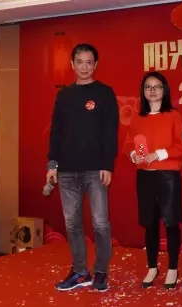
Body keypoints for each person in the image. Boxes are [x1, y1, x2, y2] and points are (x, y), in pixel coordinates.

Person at [46, 43, 119, 292]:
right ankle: (80, 271)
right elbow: (56, 132)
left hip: (95, 170)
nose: (84, 67)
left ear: (95, 65)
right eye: (80, 62)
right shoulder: (64, 95)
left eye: (89, 62)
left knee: (100, 223)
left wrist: (107, 165)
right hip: (66, 170)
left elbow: (110, 132)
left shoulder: (105, 93)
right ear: (72, 64)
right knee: (72, 224)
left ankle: (101, 271)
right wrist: (53, 164)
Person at [129, 72, 182, 289]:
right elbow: (128, 144)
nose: (152, 91)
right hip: (144, 176)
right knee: (149, 224)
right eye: (148, 87)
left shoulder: (173, 115)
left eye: (157, 86)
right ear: (143, 91)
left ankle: (173, 267)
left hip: (167, 176)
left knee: (171, 223)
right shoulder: (137, 118)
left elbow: (181, 147)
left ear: (164, 90)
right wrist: (133, 155)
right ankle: (152, 266)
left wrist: (158, 154)